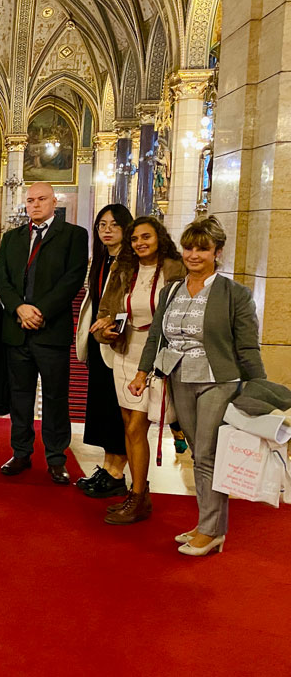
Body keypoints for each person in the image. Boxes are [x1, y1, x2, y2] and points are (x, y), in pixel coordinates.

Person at [130, 217, 265, 556]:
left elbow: (248, 346)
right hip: (177, 377)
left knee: (207, 454)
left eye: (202, 249)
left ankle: (212, 530)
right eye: (188, 247)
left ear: (217, 252)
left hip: (218, 381)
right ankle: (207, 522)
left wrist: (258, 387)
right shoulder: (171, 290)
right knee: (197, 452)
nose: (193, 255)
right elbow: (157, 337)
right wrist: (142, 373)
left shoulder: (235, 294)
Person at [0, 181, 88, 483]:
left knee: (55, 397)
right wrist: (19, 309)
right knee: (19, 397)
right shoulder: (12, 238)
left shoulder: (73, 235)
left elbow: (73, 278)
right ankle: (21, 452)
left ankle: (56, 458)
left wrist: (40, 311)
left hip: (51, 330)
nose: (35, 205)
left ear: (54, 202)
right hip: (17, 330)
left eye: (41, 199)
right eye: (30, 200)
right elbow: (1, 278)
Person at [92, 216, 184, 524]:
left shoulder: (175, 269)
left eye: (146, 237)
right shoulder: (123, 268)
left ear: (159, 238)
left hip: (155, 355)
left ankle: (138, 494)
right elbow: (106, 310)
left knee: (136, 428)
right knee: (128, 424)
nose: (140, 243)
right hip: (125, 350)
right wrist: (104, 329)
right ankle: (138, 494)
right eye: (134, 239)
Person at [75, 204, 133, 499]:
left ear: (126, 228)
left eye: (114, 225)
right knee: (102, 405)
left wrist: (114, 324)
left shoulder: (131, 262)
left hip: (120, 343)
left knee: (116, 408)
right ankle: (108, 467)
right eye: (102, 225)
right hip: (99, 342)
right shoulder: (102, 259)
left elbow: (131, 301)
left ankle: (117, 473)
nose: (107, 230)